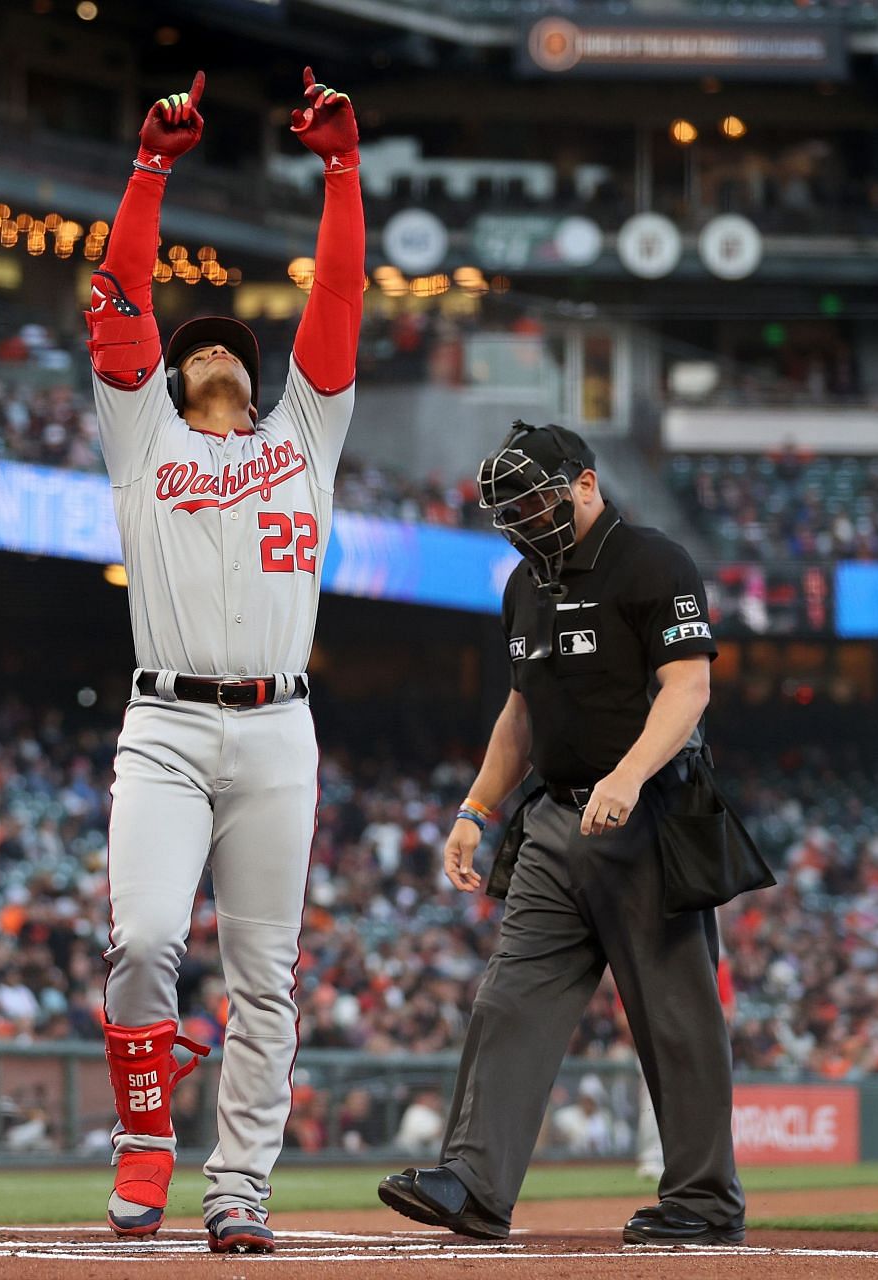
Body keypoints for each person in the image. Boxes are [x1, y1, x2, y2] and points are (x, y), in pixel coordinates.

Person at [84, 67, 363, 1254]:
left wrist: (341, 171)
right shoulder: (141, 432)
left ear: (251, 379)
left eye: (226, 349)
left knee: (266, 978)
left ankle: (238, 1181)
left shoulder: (304, 434)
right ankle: (144, 1135)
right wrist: (151, 169)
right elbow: (118, 292)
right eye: (188, 347)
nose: (208, 354)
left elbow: (340, 296)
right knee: (144, 938)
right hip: (165, 724)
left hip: (278, 728)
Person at [378, 422, 746, 1246]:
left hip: (651, 812)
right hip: (552, 819)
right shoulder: (522, 585)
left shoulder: (654, 561)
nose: (524, 516)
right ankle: (474, 1184)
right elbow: (520, 714)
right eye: (511, 506)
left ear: (586, 484)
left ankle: (705, 1200)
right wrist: (475, 810)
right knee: (509, 998)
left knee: (675, 1016)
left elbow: (687, 688)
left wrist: (628, 776)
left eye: (538, 497)